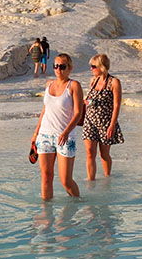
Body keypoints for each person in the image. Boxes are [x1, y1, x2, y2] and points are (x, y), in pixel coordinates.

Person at [31, 54, 83, 200]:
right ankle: (46, 215)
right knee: (46, 177)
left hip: (65, 137)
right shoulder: (49, 84)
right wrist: (35, 134)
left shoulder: (74, 86)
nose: (58, 69)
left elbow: (78, 113)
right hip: (45, 135)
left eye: (62, 66)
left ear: (70, 68)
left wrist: (66, 132)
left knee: (65, 180)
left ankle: (77, 204)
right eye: (55, 66)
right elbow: (45, 110)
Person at [83, 53, 124, 179]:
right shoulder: (93, 81)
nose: (91, 69)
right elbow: (89, 99)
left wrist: (112, 125)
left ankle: (107, 178)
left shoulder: (114, 82)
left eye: (93, 66)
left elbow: (116, 105)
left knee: (104, 154)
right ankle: (91, 180)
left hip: (105, 122)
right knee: (90, 152)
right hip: (90, 120)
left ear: (102, 67)